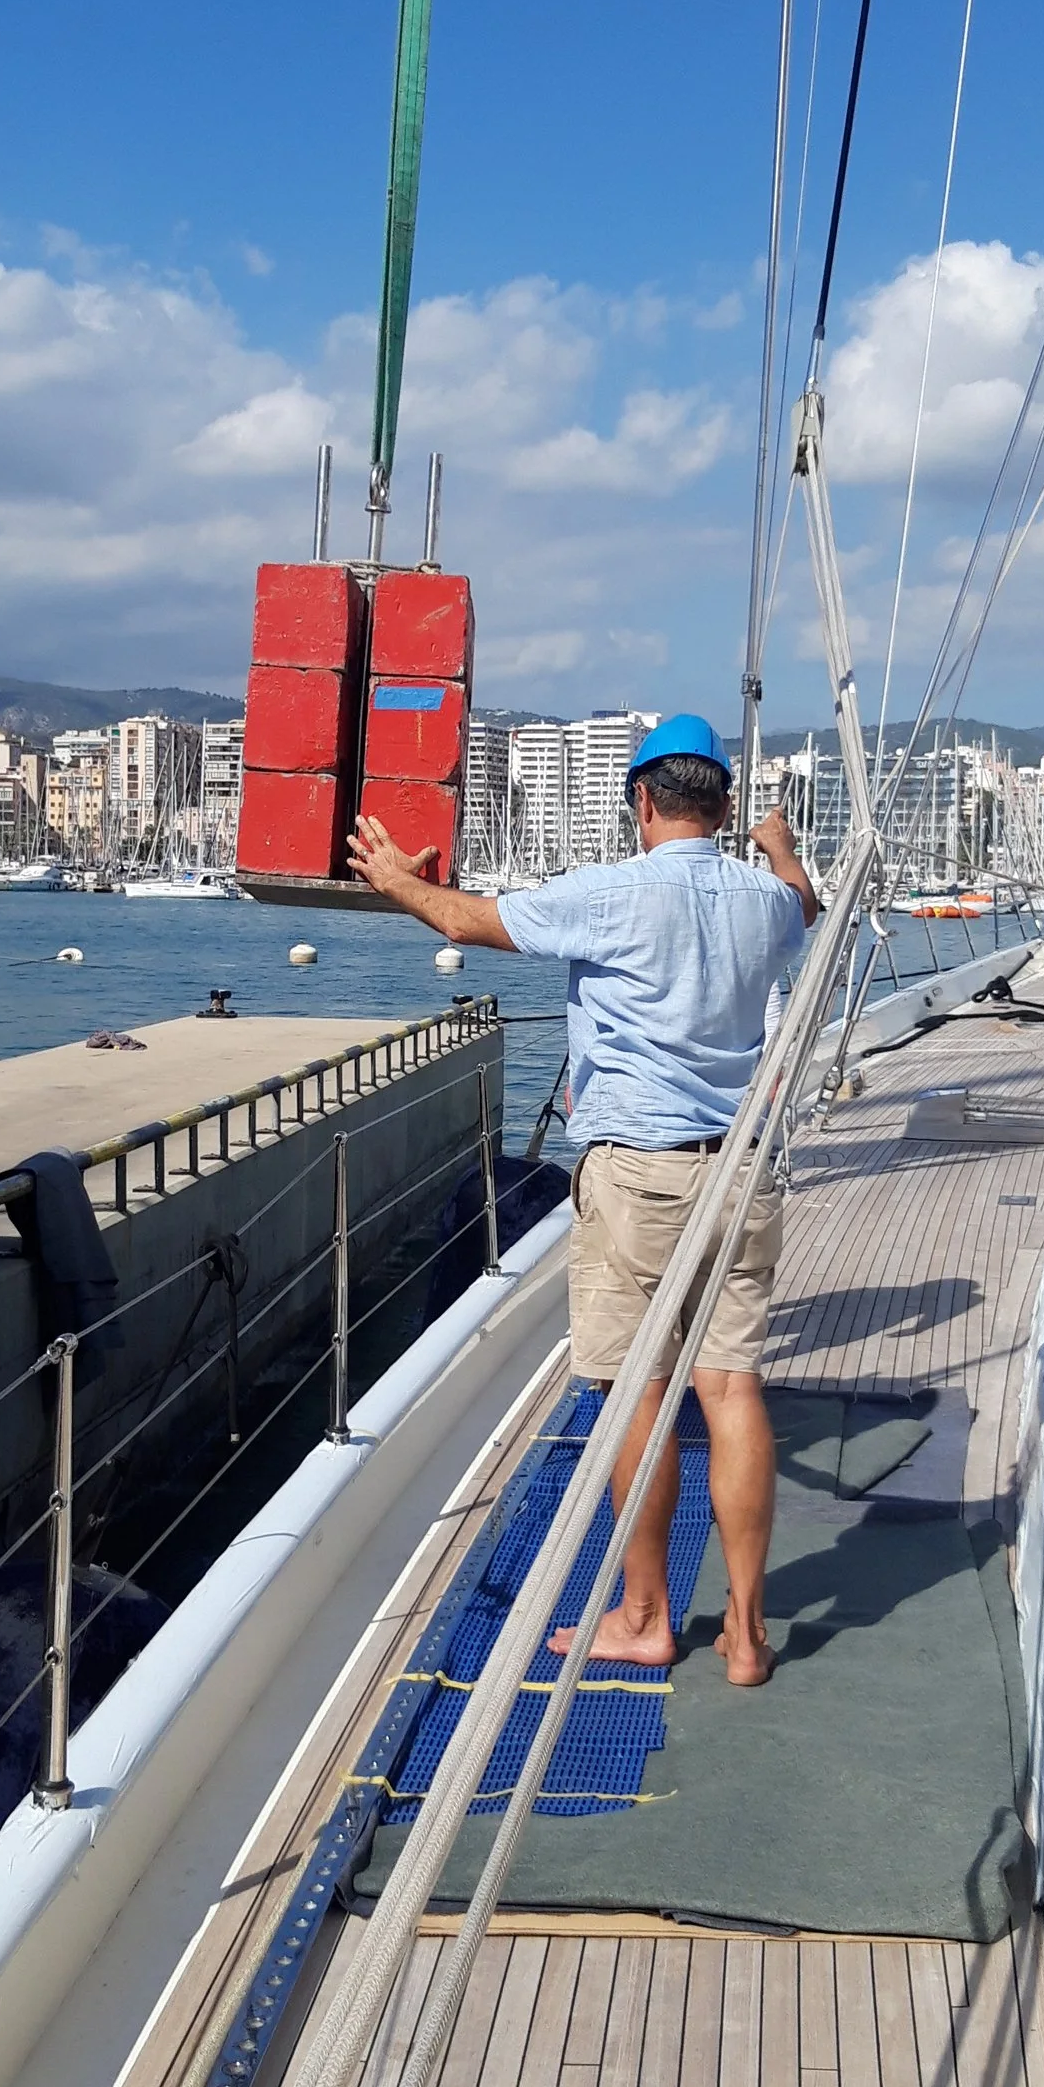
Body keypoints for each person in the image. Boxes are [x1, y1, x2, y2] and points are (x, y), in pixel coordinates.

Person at [348, 713, 817, 1687]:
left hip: (639, 1170)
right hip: (739, 1169)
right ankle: (744, 1631)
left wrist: (395, 878)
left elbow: (464, 920)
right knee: (730, 1390)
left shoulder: (606, 896)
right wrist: (781, 850)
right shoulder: (762, 902)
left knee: (639, 1392)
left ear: (639, 802)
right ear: (723, 809)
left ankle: (645, 1617)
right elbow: (802, 902)